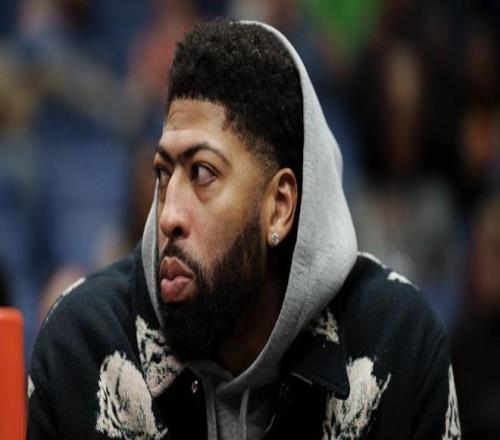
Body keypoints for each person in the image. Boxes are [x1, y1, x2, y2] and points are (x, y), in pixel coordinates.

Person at [27, 19, 460, 439]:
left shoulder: (397, 346)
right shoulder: (82, 347)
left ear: (279, 208)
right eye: (163, 173)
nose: (168, 214)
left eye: (202, 173)